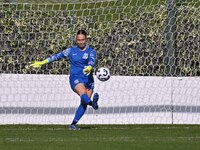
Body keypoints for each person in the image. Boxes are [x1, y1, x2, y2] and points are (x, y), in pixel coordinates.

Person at [30, 30, 99, 130]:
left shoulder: (91, 51)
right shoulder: (71, 50)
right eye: (78, 40)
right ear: (76, 40)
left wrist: (89, 67)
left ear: (86, 40)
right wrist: (42, 62)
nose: (81, 42)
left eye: (83, 40)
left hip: (88, 79)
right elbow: (57, 57)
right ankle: (93, 104)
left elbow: (92, 60)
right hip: (75, 78)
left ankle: (73, 124)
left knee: (84, 103)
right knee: (83, 94)